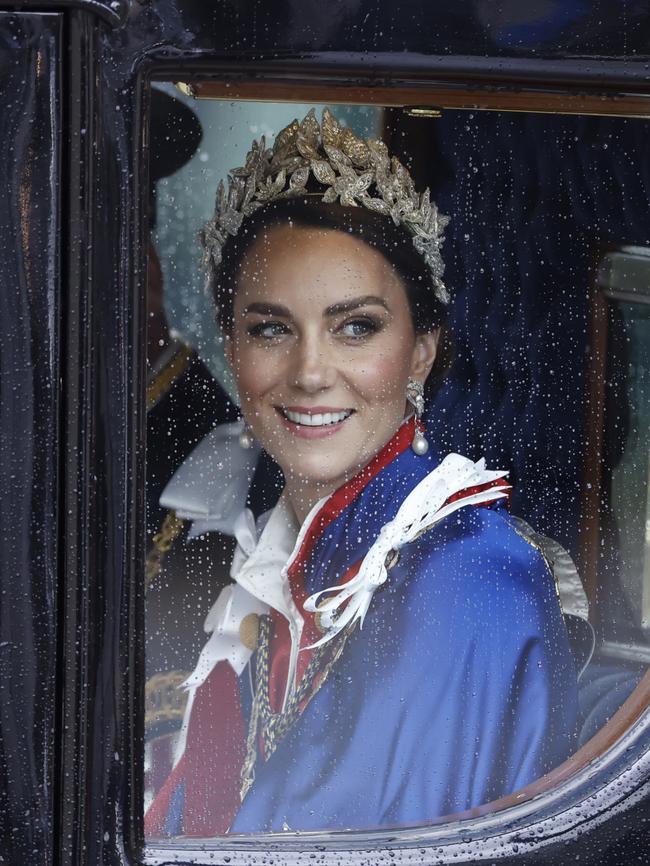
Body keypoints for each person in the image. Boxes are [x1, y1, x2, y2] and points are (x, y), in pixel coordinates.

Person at [145, 108, 580, 836]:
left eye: (357, 327)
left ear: (421, 351)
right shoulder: (283, 566)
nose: (311, 372)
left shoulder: (470, 578)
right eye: (271, 328)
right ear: (232, 346)